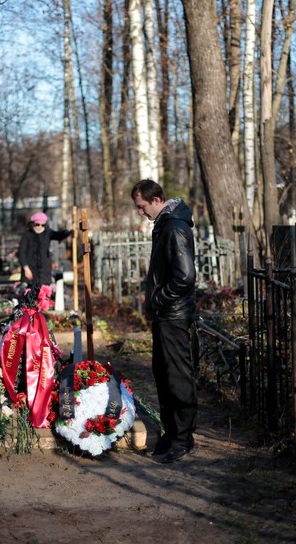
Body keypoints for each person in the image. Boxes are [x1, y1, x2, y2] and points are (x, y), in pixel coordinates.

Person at [130, 179, 197, 464]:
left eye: (142, 207)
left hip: (174, 315)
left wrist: (158, 300)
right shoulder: (165, 225)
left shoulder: (175, 228)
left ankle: (183, 439)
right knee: (163, 375)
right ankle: (171, 434)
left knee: (178, 378)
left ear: (156, 199)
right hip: (165, 315)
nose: (141, 213)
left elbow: (184, 277)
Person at [17, 211, 72, 293]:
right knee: (30, 295)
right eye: (37, 224)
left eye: (42, 225)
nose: (40, 227)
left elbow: (59, 235)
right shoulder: (26, 235)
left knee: (44, 294)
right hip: (30, 270)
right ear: (33, 224)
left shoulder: (48, 233)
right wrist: (26, 268)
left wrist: (69, 230)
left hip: (44, 271)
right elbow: (21, 252)